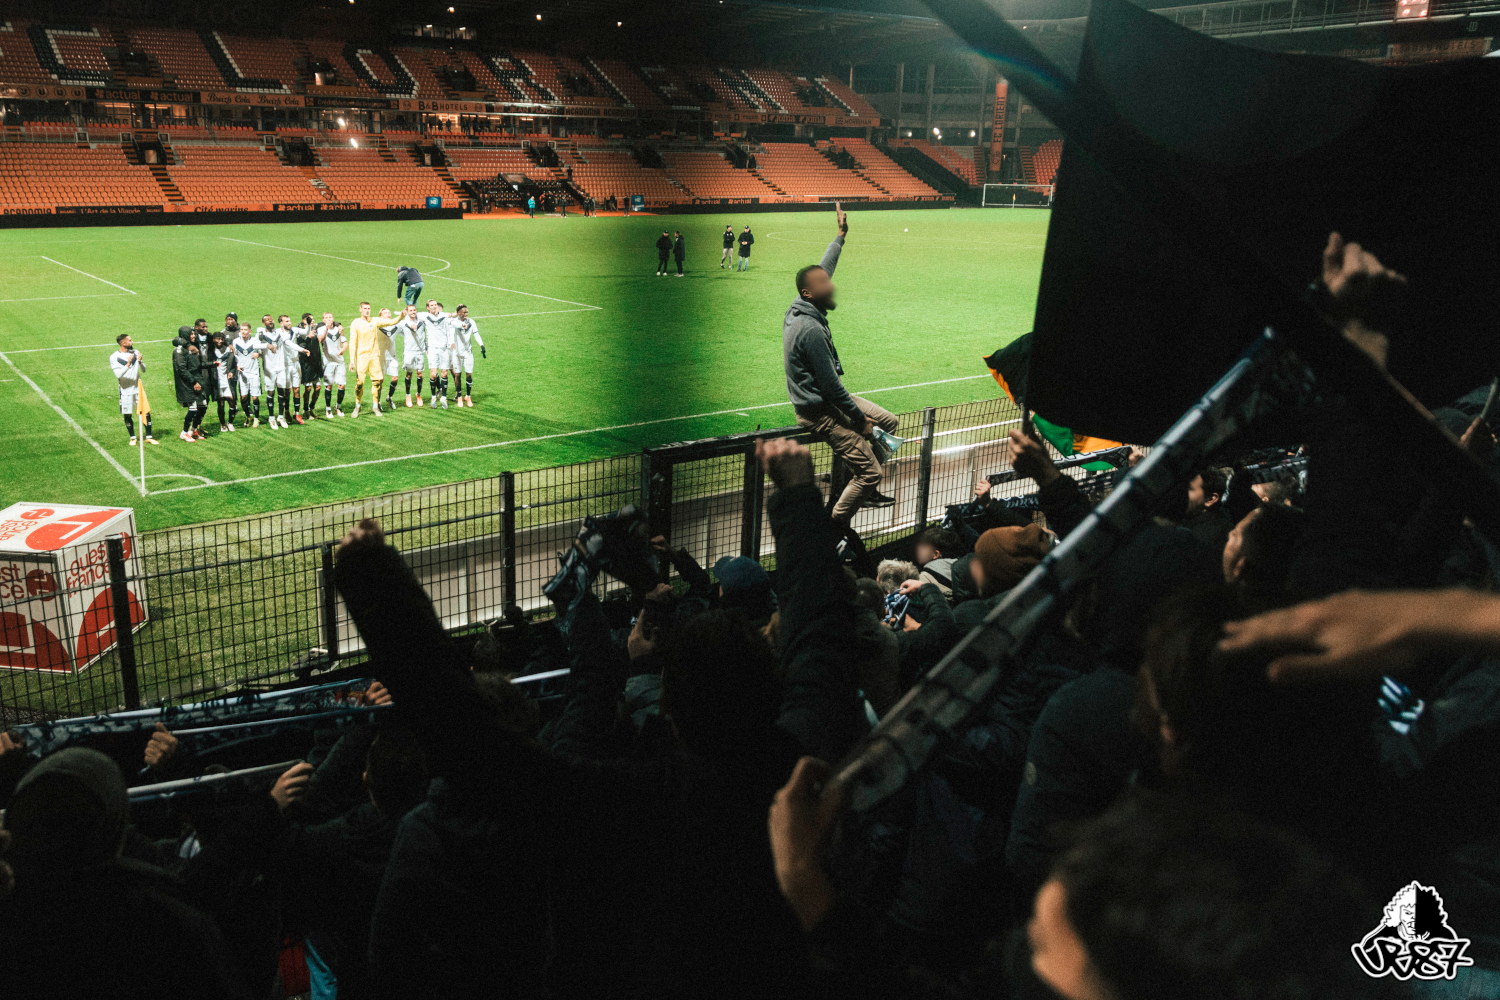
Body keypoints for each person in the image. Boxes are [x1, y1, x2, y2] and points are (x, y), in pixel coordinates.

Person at [784, 203, 898, 528]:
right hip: (818, 411)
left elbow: (824, 267)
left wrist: (840, 236)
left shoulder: (802, 305)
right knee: (872, 472)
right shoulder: (810, 330)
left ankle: (853, 482)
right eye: (824, 284)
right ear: (809, 293)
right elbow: (832, 387)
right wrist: (859, 420)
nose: (831, 284)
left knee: (890, 422)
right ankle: (832, 531)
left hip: (828, 400)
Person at [348, 301, 400, 418]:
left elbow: (391, 322)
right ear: (360, 309)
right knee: (359, 383)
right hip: (362, 357)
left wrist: (402, 315)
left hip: (374, 357)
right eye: (365, 308)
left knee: (376, 383)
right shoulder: (356, 323)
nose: (367, 310)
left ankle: (375, 406)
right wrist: (352, 360)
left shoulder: (375, 321)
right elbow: (352, 342)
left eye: (369, 308)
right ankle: (357, 406)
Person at [109, 333, 157, 446]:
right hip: (125, 390)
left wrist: (139, 362)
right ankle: (133, 437)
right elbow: (118, 374)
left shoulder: (135, 352)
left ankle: (149, 437)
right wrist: (128, 363)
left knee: (145, 411)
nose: (132, 342)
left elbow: (143, 370)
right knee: (127, 414)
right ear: (123, 343)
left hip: (138, 388)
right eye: (130, 340)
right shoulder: (114, 357)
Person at [171, 325, 207, 443]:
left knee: (203, 405)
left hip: (196, 380)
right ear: (185, 335)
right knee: (193, 408)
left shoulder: (191, 346)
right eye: (191, 334)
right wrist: (194, 382)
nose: (193, 335)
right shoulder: (180, 350)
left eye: (194, 333)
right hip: (187, 383)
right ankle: (184, 432)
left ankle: (193, 430)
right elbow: (181, 369)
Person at [448, 304, 485, 408]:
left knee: (469, 375)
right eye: (464, 312)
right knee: (457, 375)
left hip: (468, 353)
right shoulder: (454, 322)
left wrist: (481, 345)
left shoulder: (471, 322)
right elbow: (451, 332)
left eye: (467, 312)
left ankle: (468, 396)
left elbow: (476, 333)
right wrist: (451, 342)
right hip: (456, 354)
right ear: (459, 313)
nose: (466, 314)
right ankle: (459, 396)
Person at [420, 298, 453, 409]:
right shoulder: (424, 316)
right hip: (432, 349)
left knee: (444, 373)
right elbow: (411, 315)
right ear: (428, 308)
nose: (434, 306)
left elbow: (453, 315)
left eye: (435, 305)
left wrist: (457, 311)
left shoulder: (443, 315)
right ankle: (433, 396)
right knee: (433, 374)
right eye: (432, 305)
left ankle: (444, 397)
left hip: (444, 349)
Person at [231, 320, 263, 428]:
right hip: (242, 373)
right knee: (243, 397)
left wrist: (258, 354)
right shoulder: (236, 342)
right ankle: (248, 416)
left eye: (245, 330)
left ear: (250, 331)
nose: (243, 332)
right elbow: (234, 356)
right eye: (241, 329)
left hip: (254, 373)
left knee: (254, 397)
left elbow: (263, 353)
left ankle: (256, 419)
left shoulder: (255, 341)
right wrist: (237, 365)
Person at [205, 328, 237, 434]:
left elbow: (234, 364)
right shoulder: (211, 352)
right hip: (217, 381)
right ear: (213, 340)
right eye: (217, 339)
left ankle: (230, 423)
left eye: (221, 339)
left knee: (232, 401)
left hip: (227, 381)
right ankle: (223, 424)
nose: (220, 341)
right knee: (221, 404)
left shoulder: (229, 351)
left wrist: (231, 371)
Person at [394, 304, 427, 408]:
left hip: (420, 352)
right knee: (409, 374)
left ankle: (418, 394)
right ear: (407, 312)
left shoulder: (422, 322)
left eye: (414, 310)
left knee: (420, 374)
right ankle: (408, 395)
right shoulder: (403, 323)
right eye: (411, 310)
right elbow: (397, 329)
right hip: (409, 352)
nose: (413, 312)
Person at [294, 313, 325, 420]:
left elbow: (326, 323)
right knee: (307, 388)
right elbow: (300, 347)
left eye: (312, 319)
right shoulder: (299, 332)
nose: (313, 321)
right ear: (304, 321)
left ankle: (312, 408)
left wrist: (337, 324)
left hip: (316, 362)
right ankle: (305, 410)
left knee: (318, 388)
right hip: (306, 363)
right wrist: (308, 338)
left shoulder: (315, 328)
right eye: (310, 319)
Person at [318, 311, 346, 418]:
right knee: (329, 386)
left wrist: (343, 349)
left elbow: (344, 341)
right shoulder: (321, 329)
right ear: (323, 320)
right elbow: (321, 340)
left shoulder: (338, 329)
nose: (329, 319)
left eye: (330, 317)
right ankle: (328, 408)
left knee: (342, 385)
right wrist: (326, 328)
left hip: (339, 361)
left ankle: (338, 407)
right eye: (326, 317)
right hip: (328, 362)